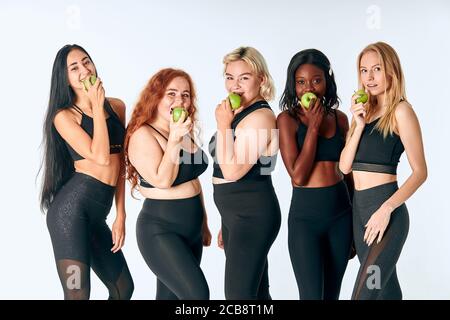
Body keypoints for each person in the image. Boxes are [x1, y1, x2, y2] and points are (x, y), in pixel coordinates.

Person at [40, 44, 134, 300]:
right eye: (74, 68)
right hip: (68, 217)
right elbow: (101, 157)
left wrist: (121, 214)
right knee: (78, 294)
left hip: (97, 216)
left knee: (123, 288)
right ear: (66, 79)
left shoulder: (117, 107)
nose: (84, 70)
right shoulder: (64, 117)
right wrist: (94, 104)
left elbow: (120, 163)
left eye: (86, 62)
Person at [339, 42, 427, 299]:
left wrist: (386, 209)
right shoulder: (362, 112)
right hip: (360, 214)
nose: (370, 77)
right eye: (364, 70)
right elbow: (344, 166)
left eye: (377, 69)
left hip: (387, 215)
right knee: (385, 291)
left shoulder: (401, 111)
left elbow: (420, 172)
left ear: (392, 71)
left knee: (364, 294)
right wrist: (358, 123)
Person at [125, 68, 211, 300]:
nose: (179, 100)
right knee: (197, 296)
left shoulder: (183, 129)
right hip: (160, 230)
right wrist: (174, 138)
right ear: (156, 97)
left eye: (185, 94)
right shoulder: (143, 135)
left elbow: (194, 179)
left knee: (170, 299)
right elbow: (163, 180)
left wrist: (204, 222)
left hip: (191, 230)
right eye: (171, 94)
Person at [277, 49, 353, 300]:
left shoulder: (341, 119)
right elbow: (297, 176)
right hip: (305, 220)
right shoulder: (286, 120)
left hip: (341, 216)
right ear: (293, 85)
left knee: (332, 296)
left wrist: (355, 225)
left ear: (327, 81)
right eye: (301, 82)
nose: (309, 88)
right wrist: (313, 128)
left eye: (316, 80)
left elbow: (349, 174)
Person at [209, 46, 281, 300]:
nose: (234, 86)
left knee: (238, 299)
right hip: (237, 217)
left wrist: (222, 124)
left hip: (252, 217)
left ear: (261, 79)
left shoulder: (260, 117)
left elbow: (233, 171)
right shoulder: (240, 113)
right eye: (230, 77)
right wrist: (225, 219)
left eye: (244, 78)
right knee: (257, 296)